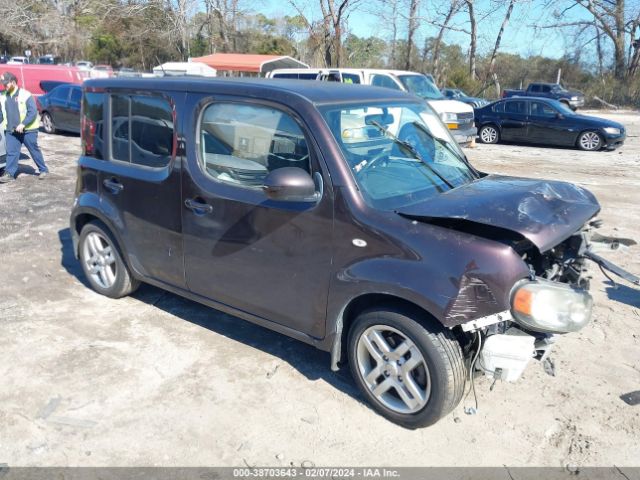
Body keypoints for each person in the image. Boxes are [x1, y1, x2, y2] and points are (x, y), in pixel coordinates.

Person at [0, 71, 49, 182]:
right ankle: (10, 174)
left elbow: (32, 112)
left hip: (28, 130)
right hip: (11, 130)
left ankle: (43, 170)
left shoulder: (25, 94)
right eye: (3, 84)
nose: (4, 86)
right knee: (12, 152)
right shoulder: (2, 95)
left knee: (33, 150)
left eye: (6, 84)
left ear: (13, 82)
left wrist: (23, 124)